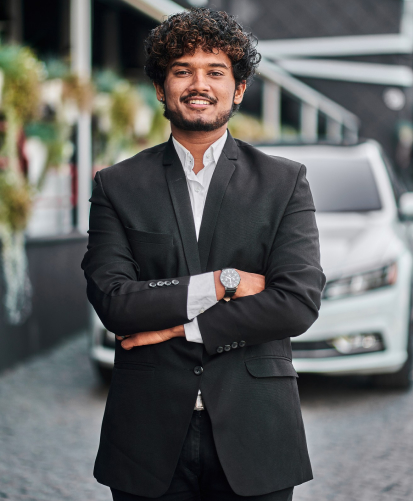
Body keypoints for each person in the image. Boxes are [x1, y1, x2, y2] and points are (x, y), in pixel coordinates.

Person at [81, 7, 325, 501]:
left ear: (237, 89)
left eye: (215, 71)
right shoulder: (117, 185)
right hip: (147, 436)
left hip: (257, 431)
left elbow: (297, 302)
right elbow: (114, 302)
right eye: (182, 70)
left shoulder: (284, 182)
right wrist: (224, 282)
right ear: (160, 88)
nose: (199, 84)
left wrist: (178, 326)